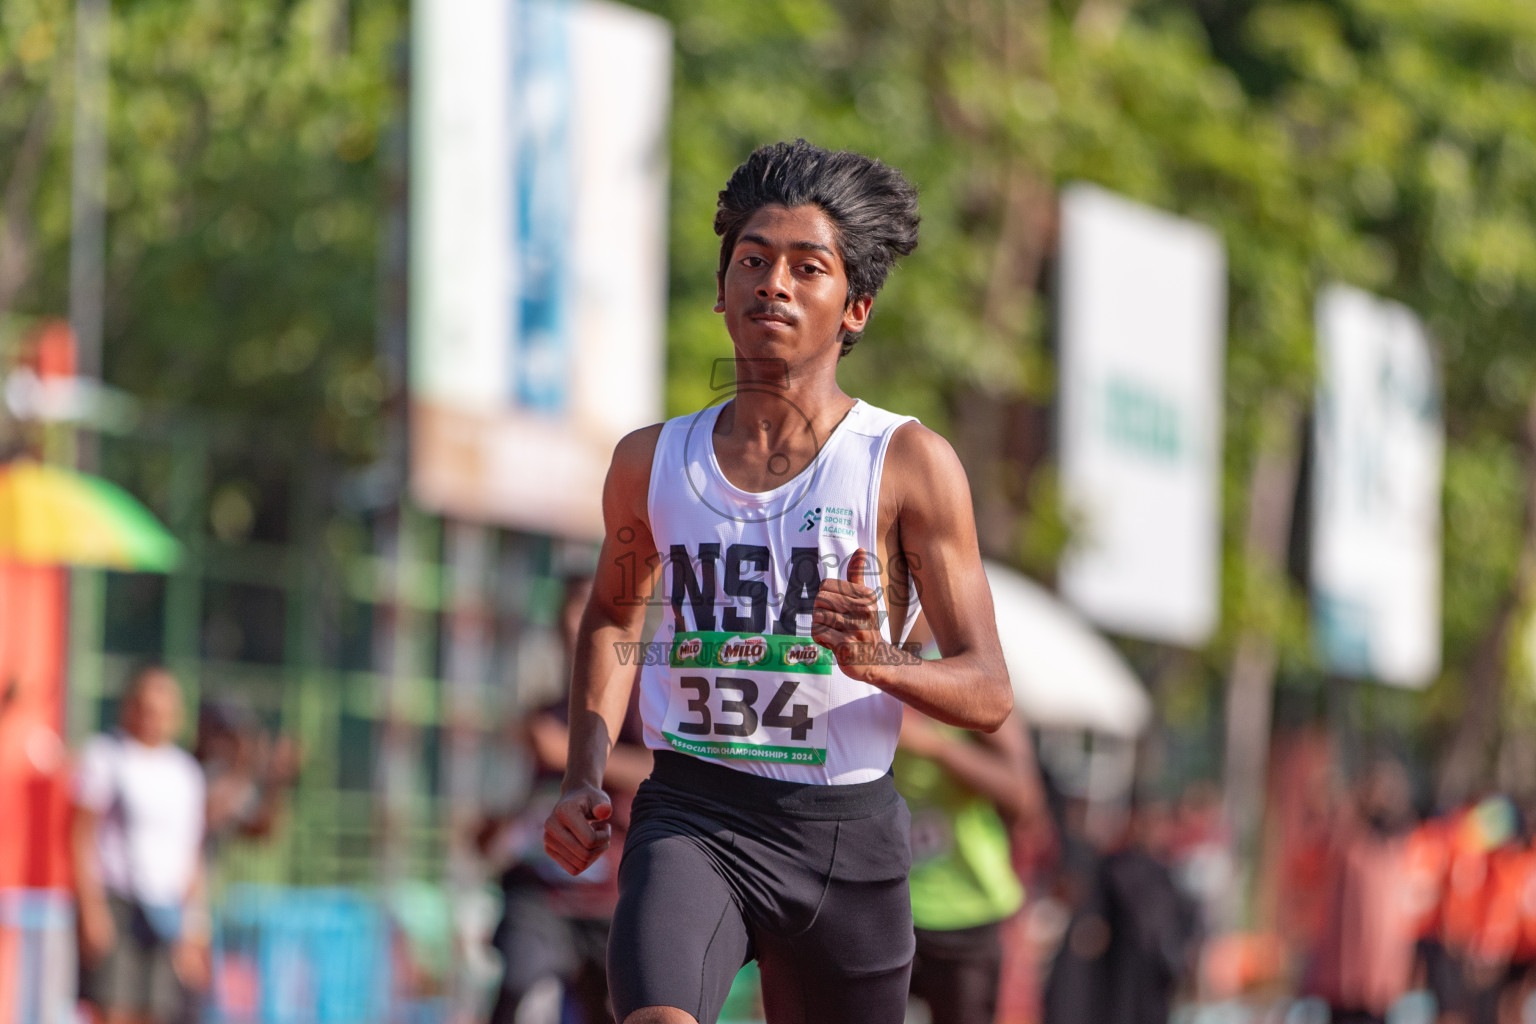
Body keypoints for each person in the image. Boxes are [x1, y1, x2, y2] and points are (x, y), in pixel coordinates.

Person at [543, 139, 1013, 1024]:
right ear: (721, 293)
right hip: (693, 809)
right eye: (753, 262)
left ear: (856, 308)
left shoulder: (907, 464)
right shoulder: (651, 461)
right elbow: (614, 617)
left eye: (808, 267)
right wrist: (584, 774)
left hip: (844, 839)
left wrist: (876, 659)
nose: (774, 284)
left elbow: (988, 690)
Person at [482, 575, 652, 1024]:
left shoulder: (644, 704)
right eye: (568, 618)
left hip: (614, 896)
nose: (576, 632)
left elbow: (661, 772)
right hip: (545, 894)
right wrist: (498, 829)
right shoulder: (545, 715)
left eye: (589, 618)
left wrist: (577, 757)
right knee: (520, 987)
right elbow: (530, 804)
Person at [893, 618, 1044, 1024]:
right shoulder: (857, 672)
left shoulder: (962, 679)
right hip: (886, 905)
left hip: (965, 911)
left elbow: (1023, 794)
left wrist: (936, 746)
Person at [72, 664, 210, 1024]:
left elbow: (192, 853)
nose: (155, 719)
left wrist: (194, 926)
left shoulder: (186, 773)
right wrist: (91, 909)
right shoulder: (106, 755)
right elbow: (81, 836)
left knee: (160, 1011)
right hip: (118, 902)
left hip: (166, 910)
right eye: (147, 709)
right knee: (115, 1009)